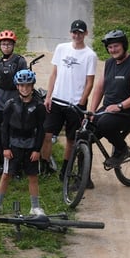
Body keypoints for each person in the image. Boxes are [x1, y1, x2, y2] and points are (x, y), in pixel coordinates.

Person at [0, 69, 46, 217]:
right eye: (22, 85)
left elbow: (41, 129)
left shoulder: (39, 106)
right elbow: (4, 128)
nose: (25, 88)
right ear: (17, 86)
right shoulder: (10, 104)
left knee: (32, 176)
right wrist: (5, 147)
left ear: (32, 86)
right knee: (6, 175)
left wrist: (37, 150)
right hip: (13, 146)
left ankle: (35, 207)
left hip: (31, 146)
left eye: (28, 85)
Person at [43, 19, 97, 184]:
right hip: (57, 100)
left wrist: (81, 103)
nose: (77, 35)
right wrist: (48, 96)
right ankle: (44, 165)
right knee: (47, 133)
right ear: (70, 33)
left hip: (75, 104)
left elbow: (90, 82)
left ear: (86, 34)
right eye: (74, 32)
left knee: (71, 139)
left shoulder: (90, 55)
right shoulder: (61, 48)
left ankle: (66, 170)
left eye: (80, 33)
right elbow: (54, 74)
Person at [89, 29, 130, 173]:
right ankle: (83, 179)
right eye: (110, 47)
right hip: (110, 109)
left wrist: (120, 106)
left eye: (116, 46)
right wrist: (91, 111)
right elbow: (99, 88)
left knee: (105, 124)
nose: (113, 50)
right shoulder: (109, 63)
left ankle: (121, 150)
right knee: (85, 132)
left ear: (124, 45)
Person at [0, 29, 28, 163]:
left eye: (9, 44)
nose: (6, 47)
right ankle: (2, 161)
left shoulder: (20, 62)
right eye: (4, 44)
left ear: (13, 45)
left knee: (16, 133)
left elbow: (25, 84)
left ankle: (17, 163)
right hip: (0, 104)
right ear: (0, 46)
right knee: (0, 134)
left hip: (16, 104)